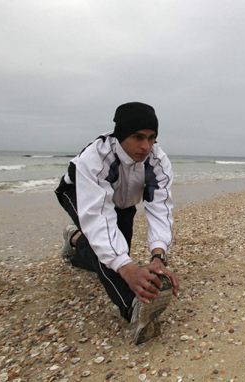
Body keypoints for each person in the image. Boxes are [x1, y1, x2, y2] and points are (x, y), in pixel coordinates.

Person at [55, 102, 180, 345]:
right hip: (79, 193)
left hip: (122, 201)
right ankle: (133, 307)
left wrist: (158, 255)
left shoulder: (157, 160)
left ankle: (74, 240)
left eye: (152, 138)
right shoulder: (97, 158)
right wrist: (127, 267)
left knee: (112, 252)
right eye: (137, 137)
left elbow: (159, 207)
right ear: (121, 135)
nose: (146, 146)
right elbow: (100, 219)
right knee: (114, 256)